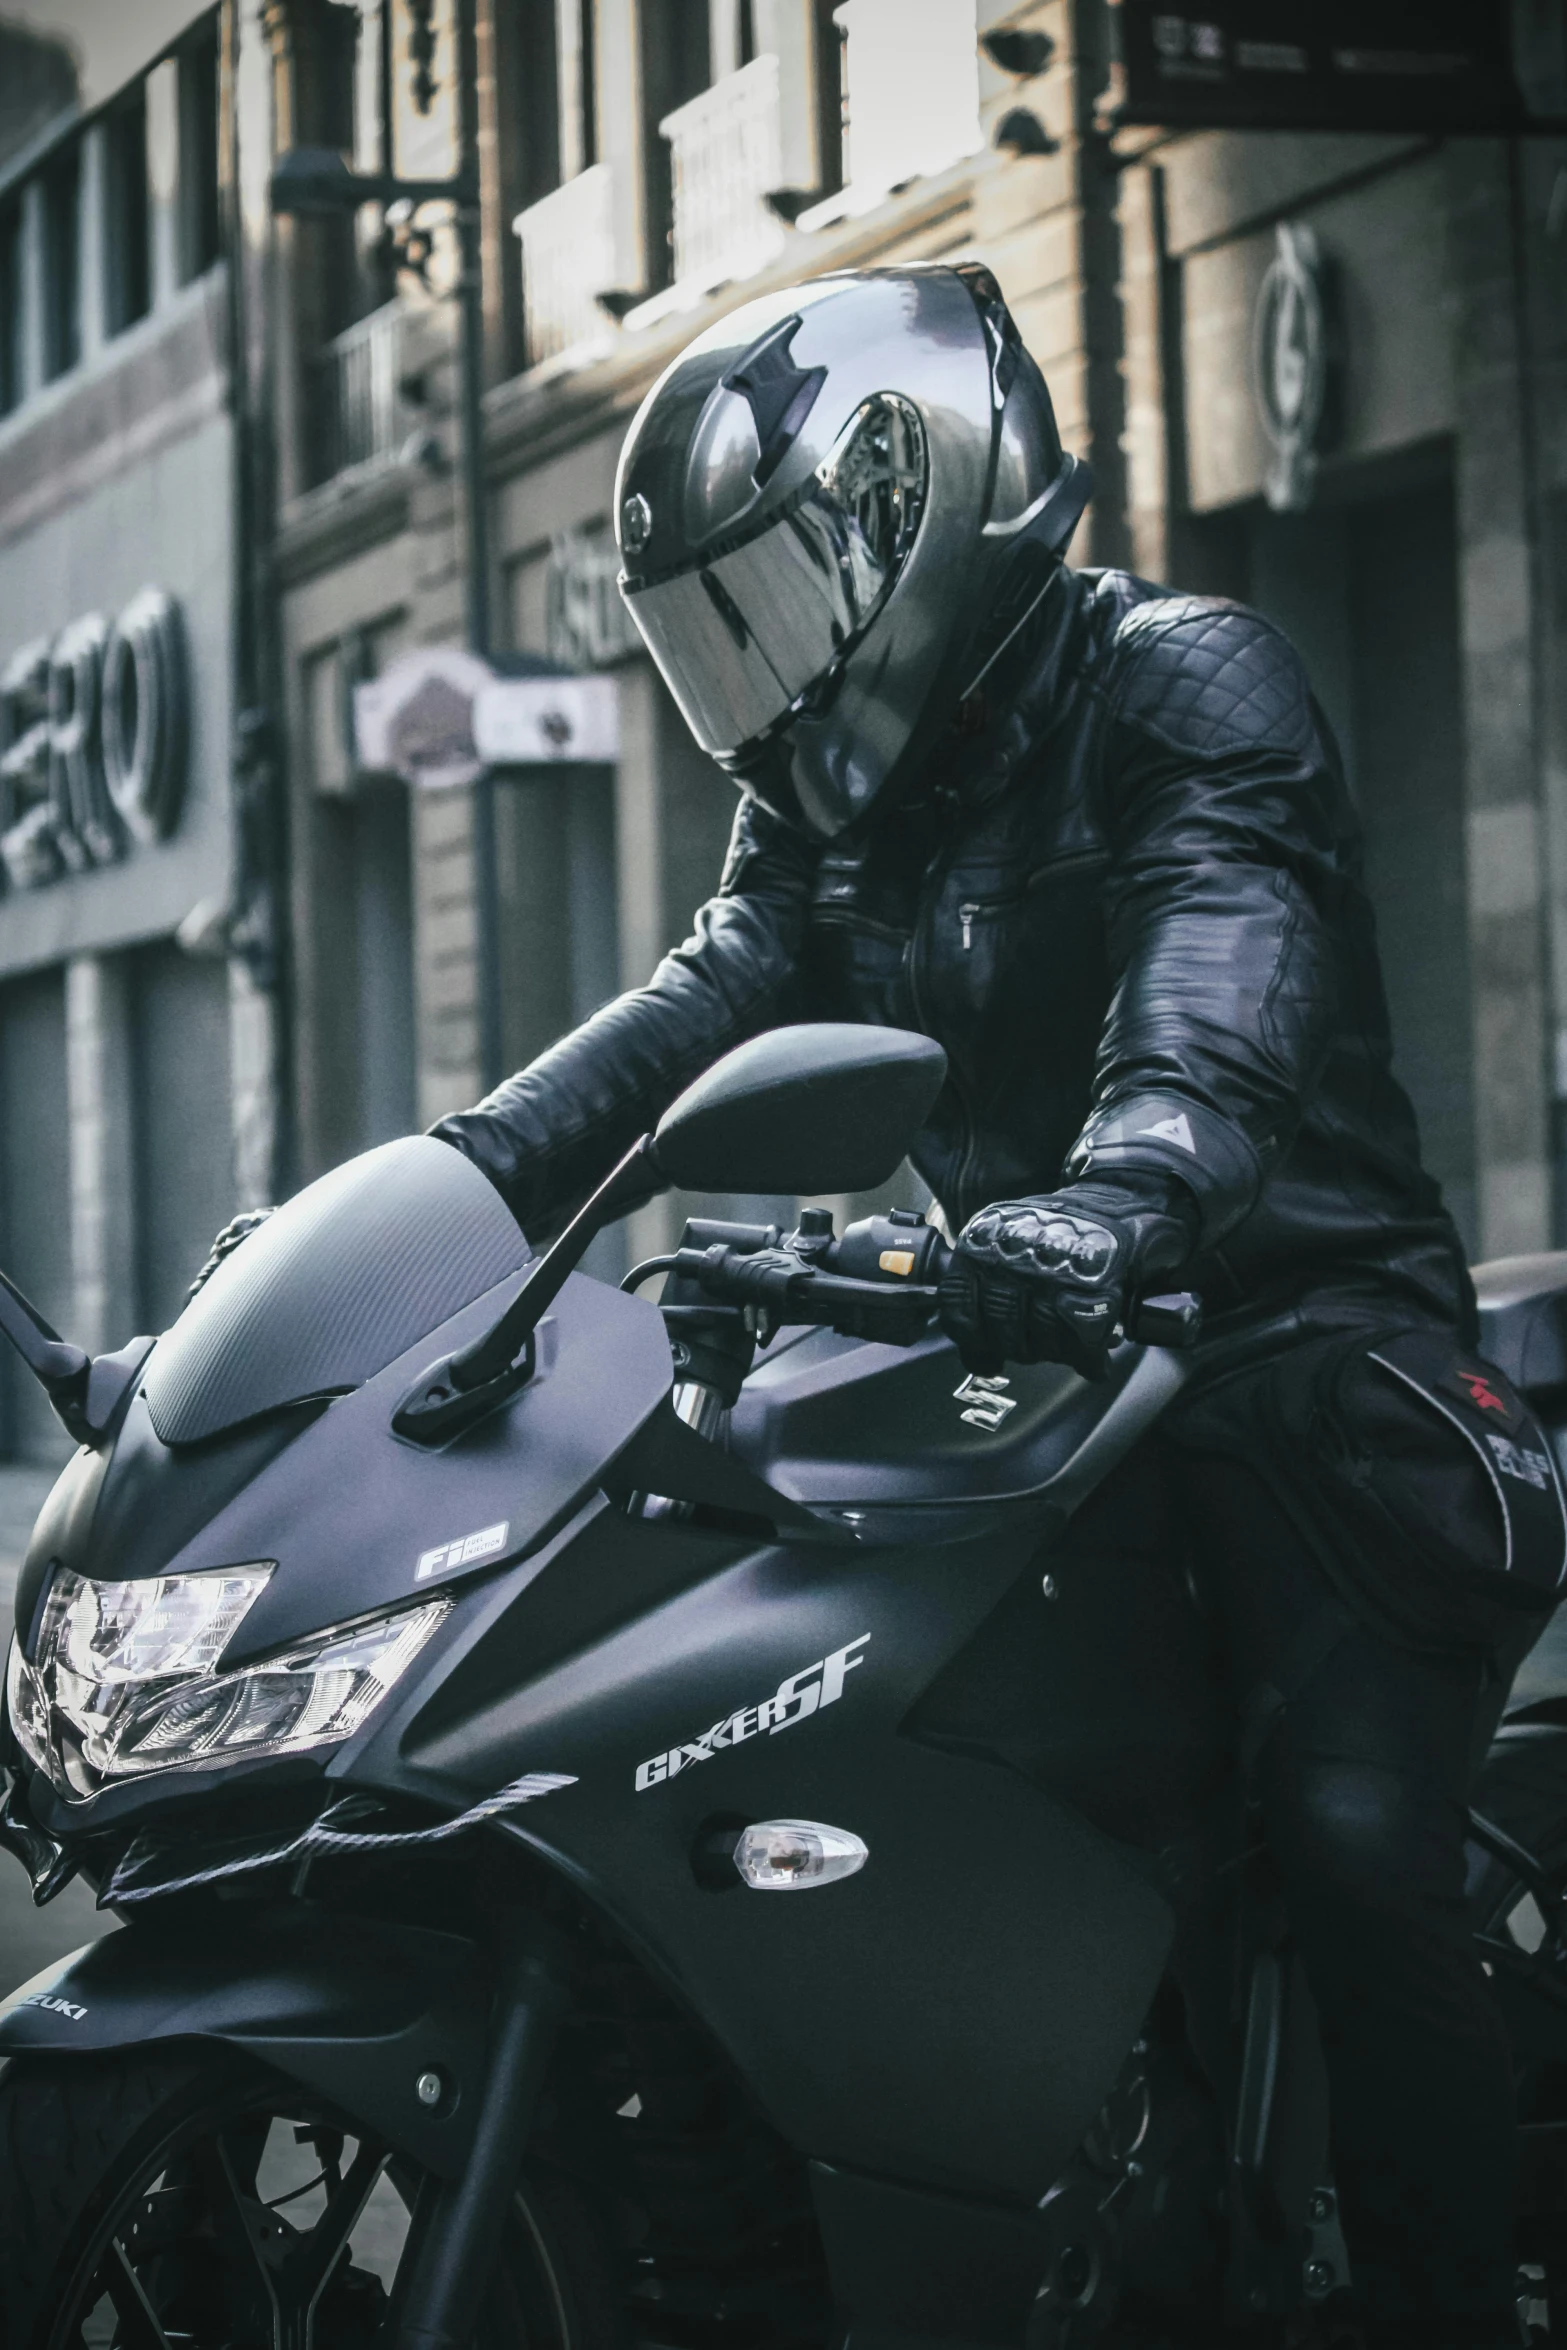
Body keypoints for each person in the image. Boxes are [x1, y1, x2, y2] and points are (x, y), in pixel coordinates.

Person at [235, 266, 1551, 2341]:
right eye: (710, 641)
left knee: (1347, 1829)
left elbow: (1219, 991)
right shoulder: (830, 809)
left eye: (767, 614)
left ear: (911, 513)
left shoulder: (1187, 681)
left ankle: (1446, 2303)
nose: (749, 689)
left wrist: (1123, 1201)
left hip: (1294, 1341)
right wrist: (407, 1218)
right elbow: (677, 1031)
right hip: (1026, 1352)